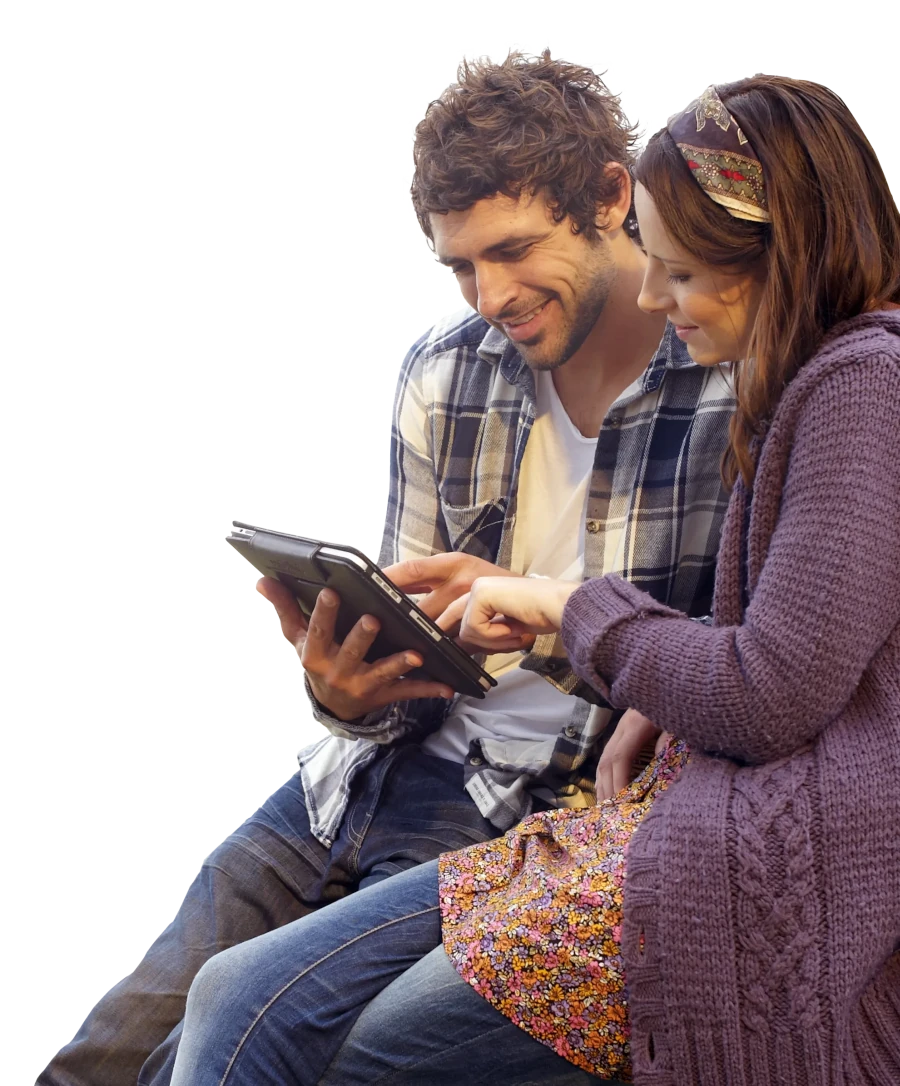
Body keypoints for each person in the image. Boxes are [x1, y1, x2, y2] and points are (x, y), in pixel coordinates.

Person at [167, 77, 900, 1086]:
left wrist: (566, 609)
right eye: (462, 264)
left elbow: (771, 694)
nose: (655, 294)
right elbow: (778, 665)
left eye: (679, 272)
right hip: (600, 809)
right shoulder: (796, 390)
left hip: (695, 854)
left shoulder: (862, 391)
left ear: (777, 256)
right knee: (222, 999)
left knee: (342, 1051)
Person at [38, 52, 738, 1086]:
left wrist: (544, 622)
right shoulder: (445, 374)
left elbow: (731, 680)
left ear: (609, 197)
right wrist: (345, 691)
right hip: (354, 785)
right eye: (461, 266)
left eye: (511, 251)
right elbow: (413, 662)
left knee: (205, 1056)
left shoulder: (724, 391)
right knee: (108, 1051)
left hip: (520, 816)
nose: (490, 294)